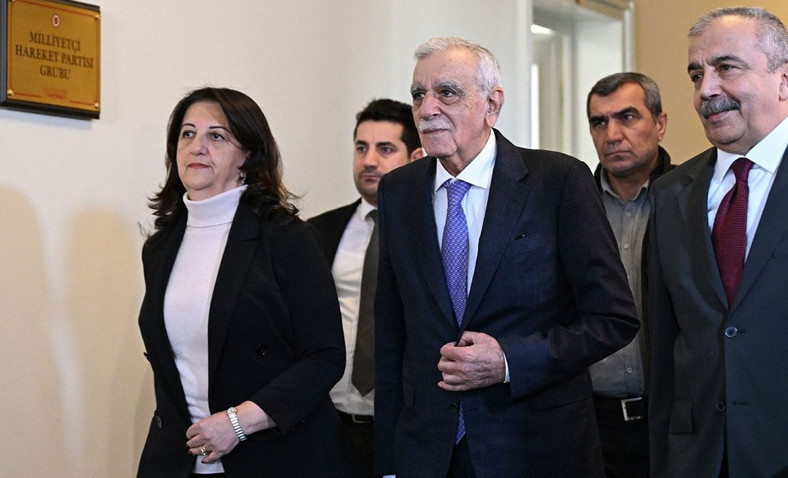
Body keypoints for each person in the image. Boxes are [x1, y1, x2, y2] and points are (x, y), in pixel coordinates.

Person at [374, 37, 640, 478]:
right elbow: (390, 336)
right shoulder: (398, 191)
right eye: (419, 94)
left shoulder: (558, 181)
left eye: (447, 93)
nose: (426, 109)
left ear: (492, 104)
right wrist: (388, 463)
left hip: (535, 447)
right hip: (428, 452)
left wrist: (510, 362)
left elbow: (613, 319)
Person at [647, 7, 788, 477]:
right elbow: (663, 349)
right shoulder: (670, 193)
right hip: (699, 459)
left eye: (726, 68)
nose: (706, 90)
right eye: (697, 74)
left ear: (786, 79)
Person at [137, 87, 355, 478]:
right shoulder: (159, 248)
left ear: (248, 154)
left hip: (275, 455)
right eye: (187, 134)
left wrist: (237, 423)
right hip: (179, 460)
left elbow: (324, 357)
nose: (198, 146)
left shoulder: (288, 238)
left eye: (217, 136)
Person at [308, 98, 423, 477]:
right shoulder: (317, 232)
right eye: (361, 148)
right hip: (328, 421)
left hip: (404, 423)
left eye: (385, 149)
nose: (369, 160)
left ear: (416, 157)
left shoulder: (433, 233)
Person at [585, 72, 673, 478]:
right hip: (592, 422)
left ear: (660, 123)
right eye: (599, 122)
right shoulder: (573, 206)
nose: (612, 135)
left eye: (627, 117)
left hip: (672, 417)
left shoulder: (692, 198)